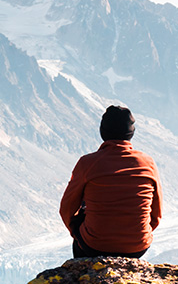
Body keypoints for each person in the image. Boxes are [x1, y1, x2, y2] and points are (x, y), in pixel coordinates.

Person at [59, 105, 162, 259]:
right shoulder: (148, 163)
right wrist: (138, 234)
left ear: (103, 132)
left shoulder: (88, 163)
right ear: (131, 133)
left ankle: (83, 275)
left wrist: (76, 231)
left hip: (95, 246)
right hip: (137, 247)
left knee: (82, 212)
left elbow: (67, 208)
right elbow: (156, 212)